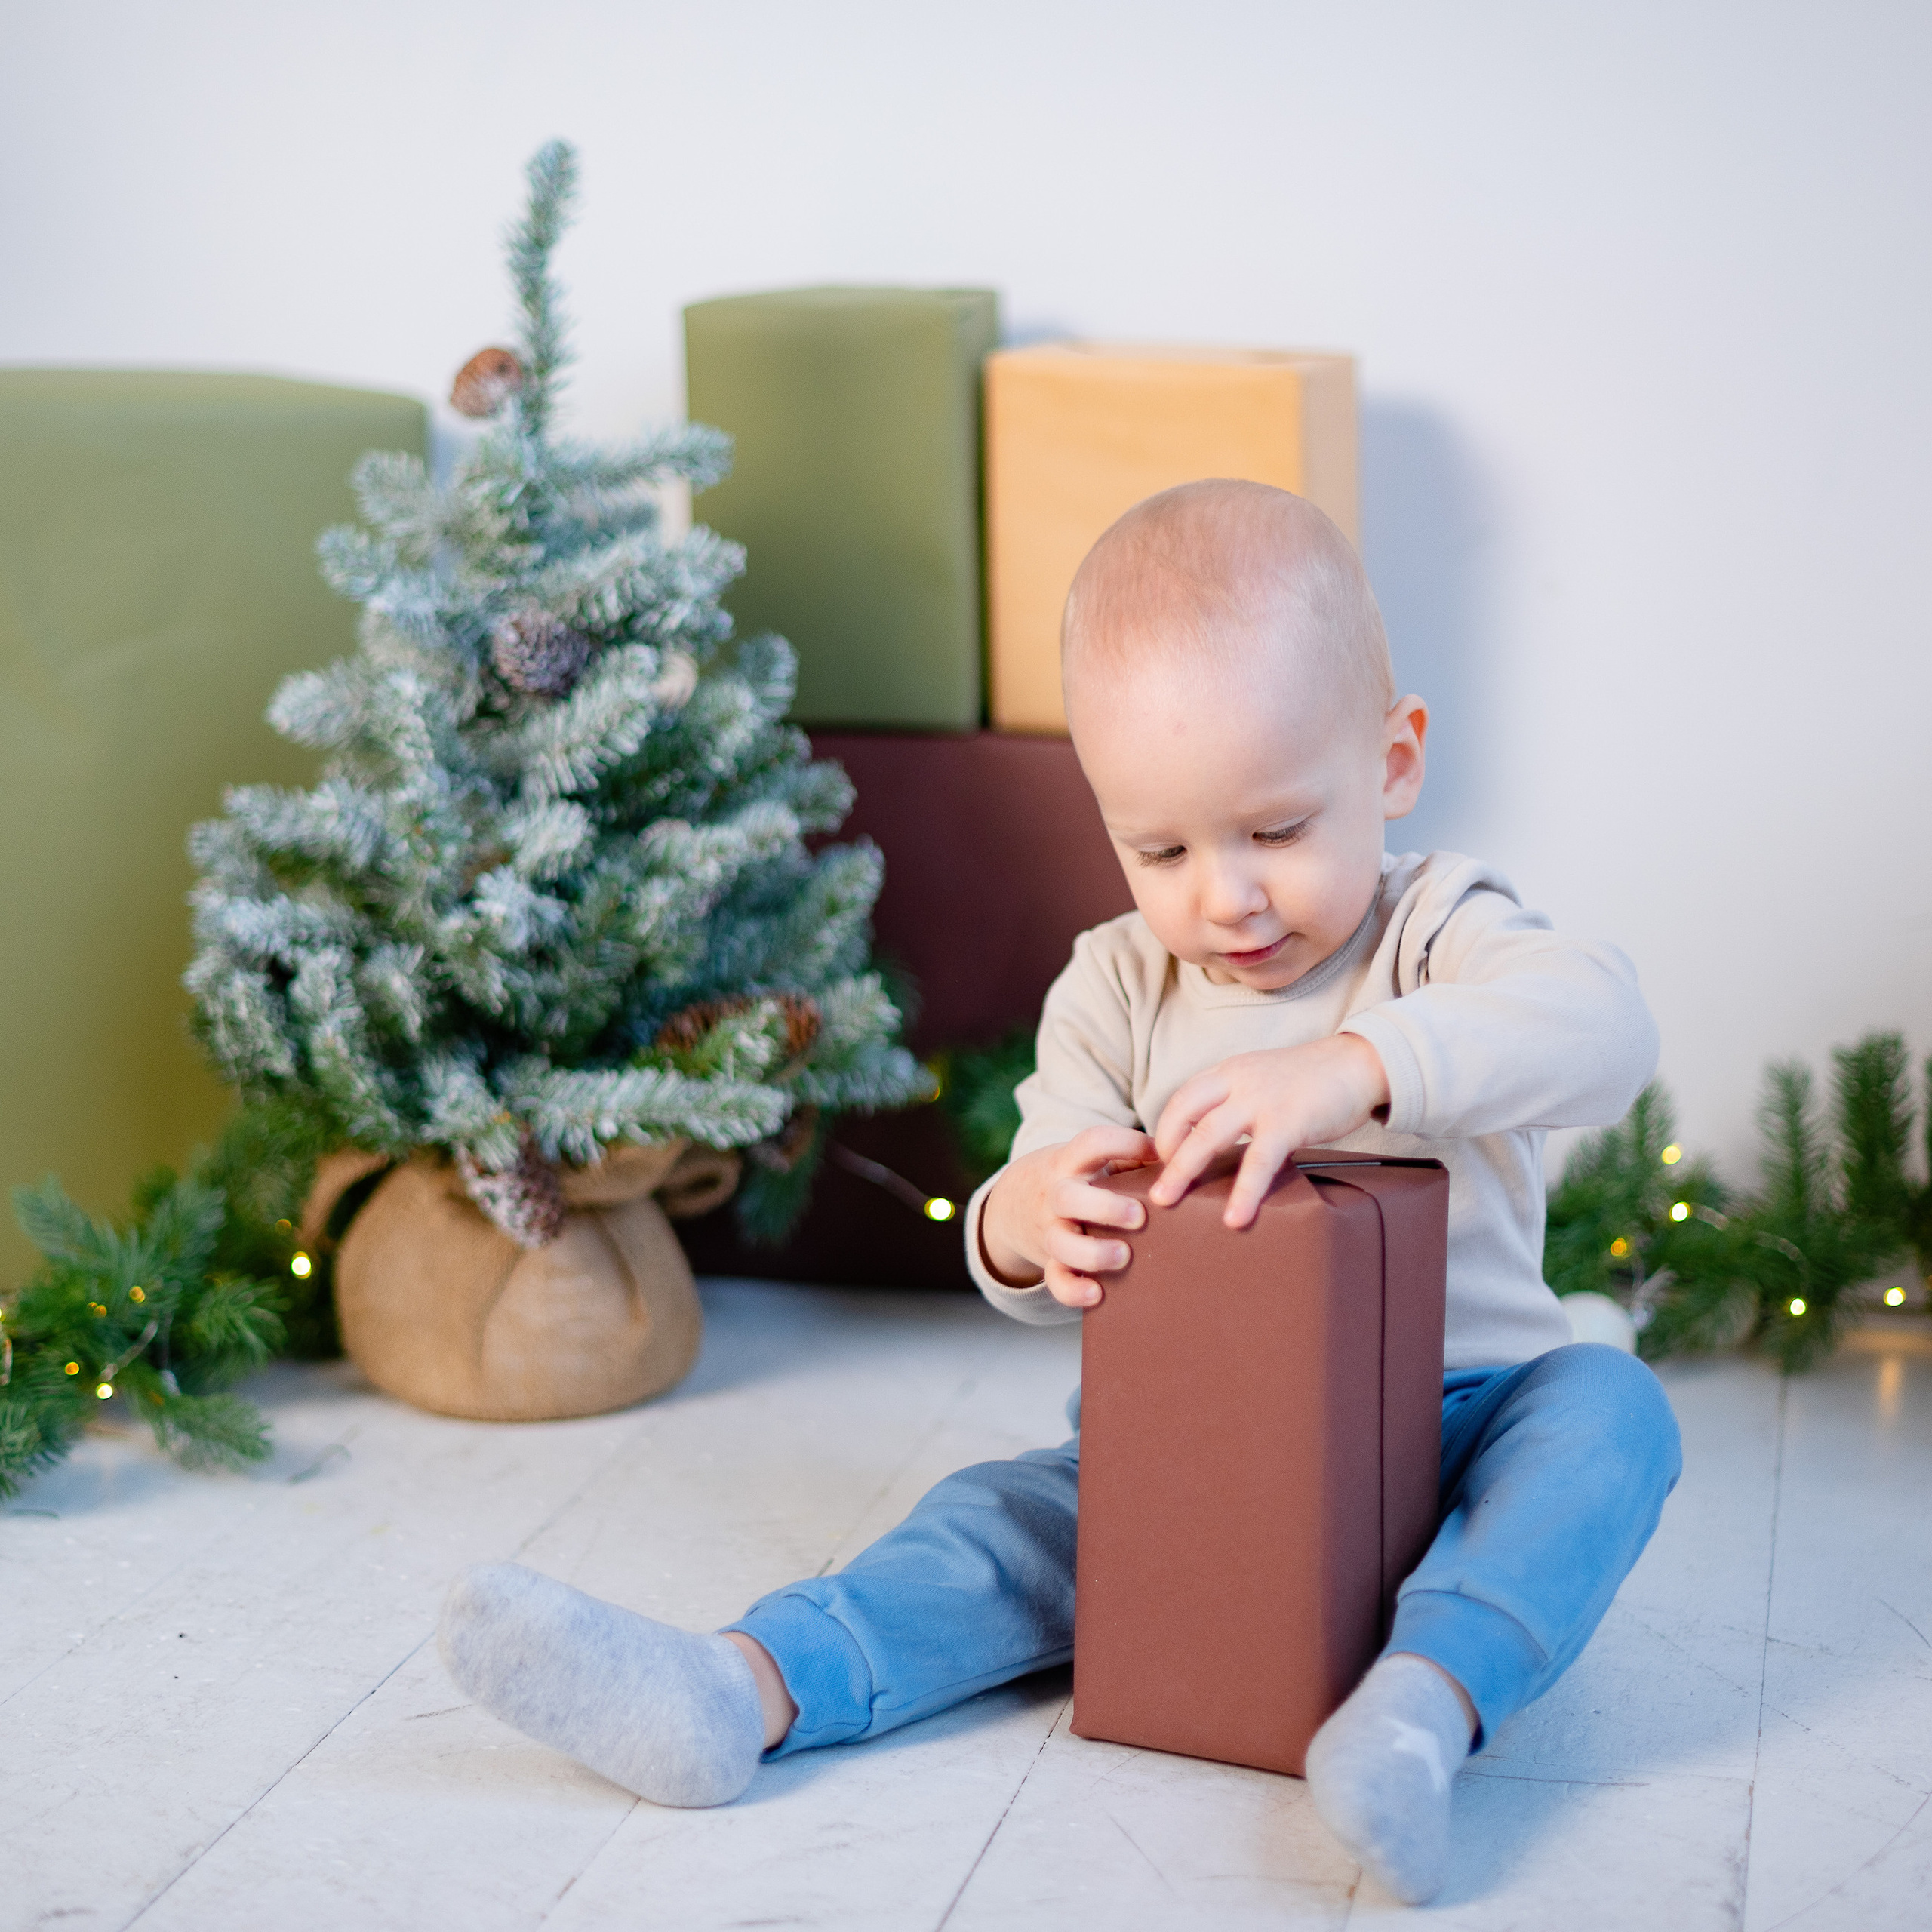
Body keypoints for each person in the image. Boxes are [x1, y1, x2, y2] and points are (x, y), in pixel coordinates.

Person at [438, 479, 1682, 1906]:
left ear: (1392, 761)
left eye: (1278, 829)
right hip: (1202, 1461)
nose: (1228, 899)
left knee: (1611, 1413)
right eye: (1161, 849)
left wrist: (1357, 1068)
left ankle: (1423, 1708)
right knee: (992, 1523)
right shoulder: (1116, 987)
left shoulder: (1435, 932)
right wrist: (1020, 1228)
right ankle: (744, 1687)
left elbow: (1606, 1028)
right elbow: (1037, 1191)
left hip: (1467, 1422)